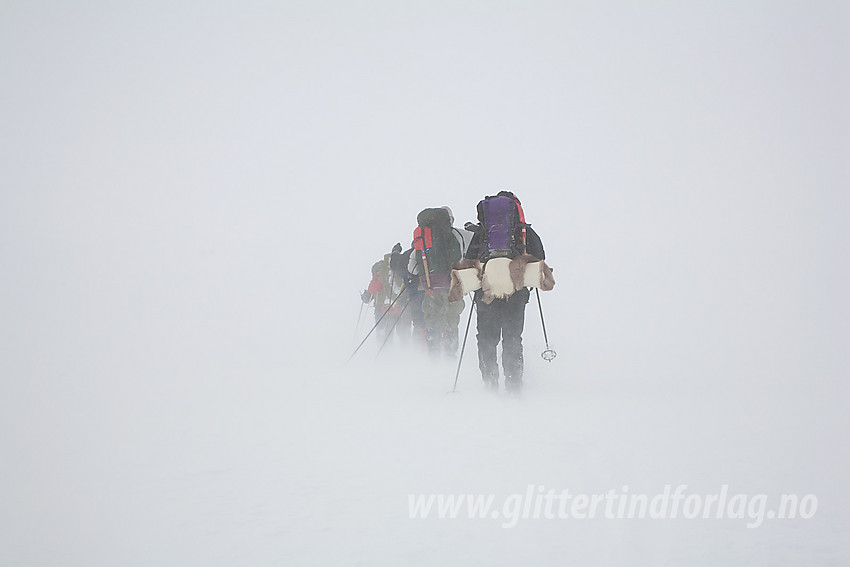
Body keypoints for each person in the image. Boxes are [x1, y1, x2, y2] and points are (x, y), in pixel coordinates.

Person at [463, 191, 546, 394]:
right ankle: (514, 383)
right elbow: (540, 258)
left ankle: (490, 382)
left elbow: (468, 262)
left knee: (486, 337)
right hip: (516, 294)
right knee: (512, 337)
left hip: (486, 294)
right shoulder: (525, 232)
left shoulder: (482, 234)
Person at [406, 206, 467, 356]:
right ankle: (450, 355)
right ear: (449, 220)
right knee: (451, 321)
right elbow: (460, 259)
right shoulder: (454, 236)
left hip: (430, 285)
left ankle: (433, 357)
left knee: (432, 321)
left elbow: (412, 267)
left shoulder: (423, 238)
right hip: (451, 287)